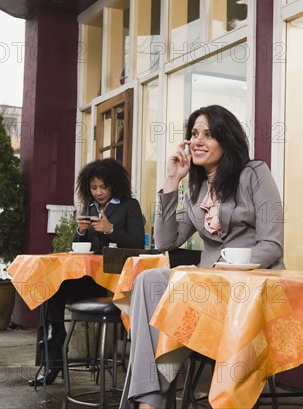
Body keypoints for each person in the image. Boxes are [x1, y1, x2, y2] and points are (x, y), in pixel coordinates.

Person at [120, 104, 284, 409]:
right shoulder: (195, 189)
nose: (198, 140)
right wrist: (172, 181)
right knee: (148, 281)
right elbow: (166, 241)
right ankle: (150, 402)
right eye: (194, 133)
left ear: (226, 139)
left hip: (249, 289)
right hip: (207, 287)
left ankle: (148, 403)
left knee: (156, 285)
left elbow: (272, 245)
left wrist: (232, 265)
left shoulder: (254, 173)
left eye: (208, 134)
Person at [29, 158, 145, 387]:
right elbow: (79, 247)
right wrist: (80, 232)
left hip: (115, 282)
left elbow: (138, 244)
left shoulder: (129, 205)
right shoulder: (89, 207)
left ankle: (54, 350)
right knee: (50, 285)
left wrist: (111, 229)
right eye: (94, 188)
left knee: (54, 287)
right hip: (91, 279)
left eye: (103, 187)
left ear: (114, 185)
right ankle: (53, 352)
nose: (99, 192)